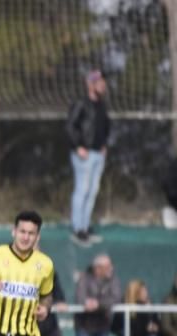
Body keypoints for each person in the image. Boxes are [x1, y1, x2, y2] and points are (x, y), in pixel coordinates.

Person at [67, 69, 110, 246]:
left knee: (92, 191)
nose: (103, 86)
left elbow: (105, 127)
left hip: (98, 154)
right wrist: (78, 146)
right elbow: (70, 126)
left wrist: (103, 145)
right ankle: (78, 229)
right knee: (82, 190)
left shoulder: (102, 105)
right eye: (99, 83)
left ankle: (85, 226)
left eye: (103, 83)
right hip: (84, 154)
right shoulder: (81, 104)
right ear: (91, 85)